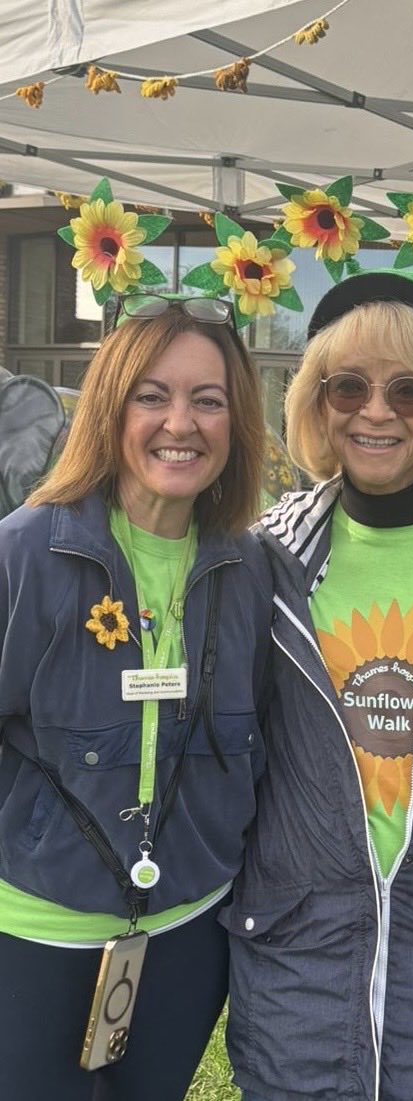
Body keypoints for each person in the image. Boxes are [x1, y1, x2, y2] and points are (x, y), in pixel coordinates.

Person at [222, 269, 413, 1101]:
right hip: (297, 963)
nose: (376, 411)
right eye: (347, 386)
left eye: (409, 391)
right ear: (316, 402)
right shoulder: (262, 561)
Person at [0, 293, 273, 1101]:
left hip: (189, 938)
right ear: (112, 408)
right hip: (36, 932)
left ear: (237, 421)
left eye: (208, 399)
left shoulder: (252, 571)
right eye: (152, 395)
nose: (179, 423)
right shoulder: (27, 554)